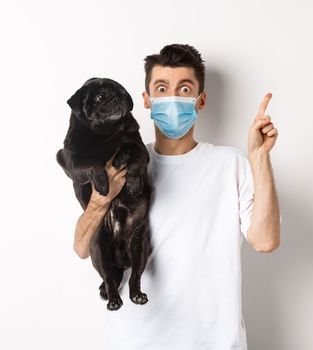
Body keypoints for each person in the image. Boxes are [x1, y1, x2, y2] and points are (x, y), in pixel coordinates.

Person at [71, 43, 281, 349]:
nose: (172, 98)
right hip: (134, 340)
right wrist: (103, 198)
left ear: (201, 100)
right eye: (161, 88)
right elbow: (80, 248)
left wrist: (259, 157)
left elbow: (265, 240)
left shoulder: (229, 164)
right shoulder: (118, 163)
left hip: (215, 341)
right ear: (146, 100)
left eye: (184, 89)